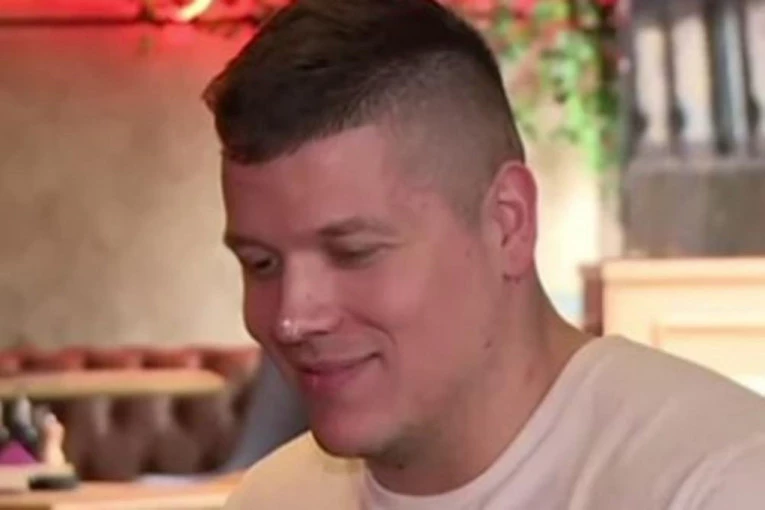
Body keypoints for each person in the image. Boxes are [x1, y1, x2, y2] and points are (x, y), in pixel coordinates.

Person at [204, 0, 765, 508]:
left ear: (507, 223)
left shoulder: (717, 483)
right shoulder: (272, 499)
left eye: (353, 252)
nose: (292, 318)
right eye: (261, 264)